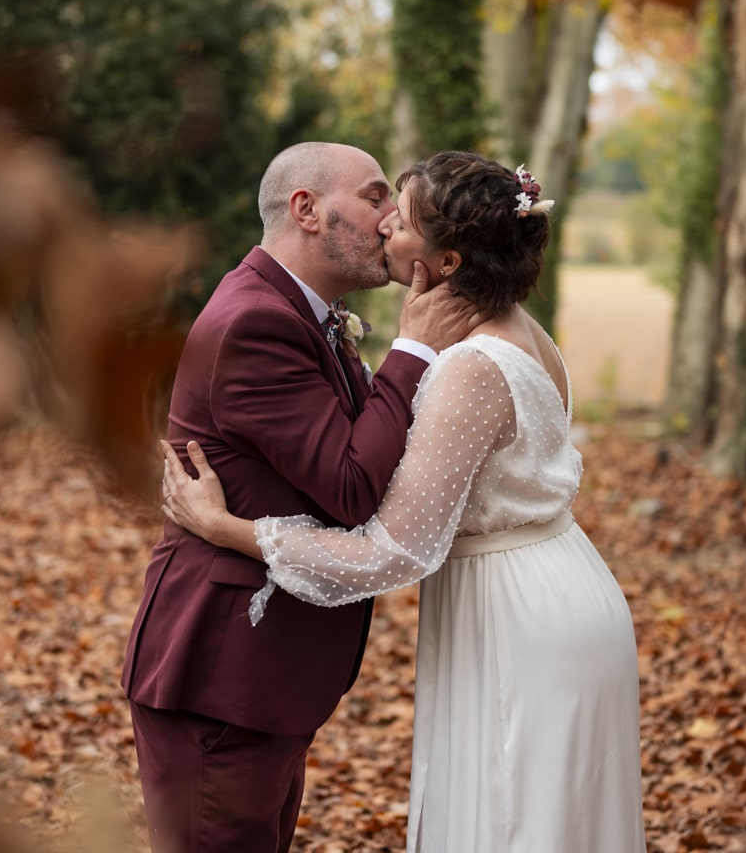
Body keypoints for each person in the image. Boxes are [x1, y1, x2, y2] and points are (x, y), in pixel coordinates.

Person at [161, 151, 647, 853]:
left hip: (519, 617)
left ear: (447, 263)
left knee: (516, 826)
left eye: (403, 212)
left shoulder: (471, 365)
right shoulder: (524, 332)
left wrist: (229, 527)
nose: (387, 221)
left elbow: (391, 547)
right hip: (557, 588)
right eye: (378, 199)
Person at [121, 142, 481, 853]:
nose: (389, 221)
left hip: (262, 675)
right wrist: (411, 352)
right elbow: (350, 486)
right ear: (306, 210)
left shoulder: (302, 311)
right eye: (376, 197)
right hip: (222, 674)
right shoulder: (257, 323)